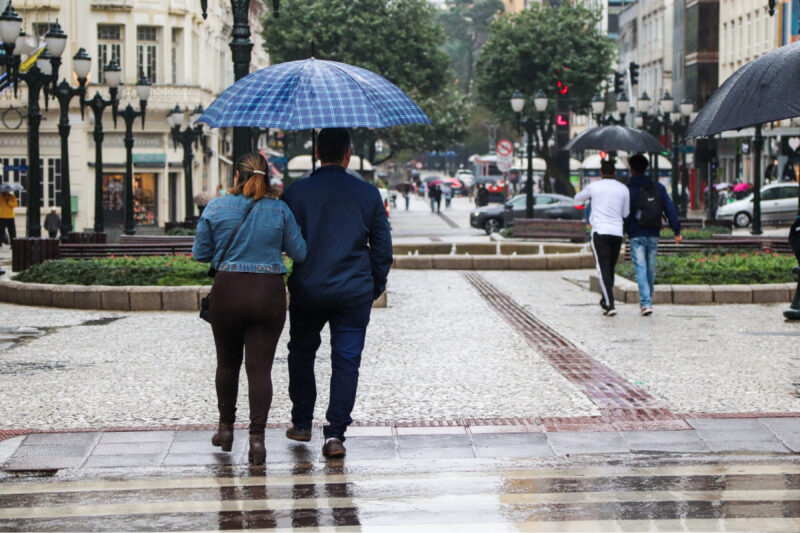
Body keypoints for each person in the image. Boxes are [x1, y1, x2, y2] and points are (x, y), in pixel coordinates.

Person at [282, 128, 392, 458]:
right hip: (354, 291)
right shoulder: (368, 193)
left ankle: (302, 422)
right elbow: (383, 248)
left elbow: (285, 243)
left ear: (317, 152)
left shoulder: (295, 193)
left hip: (308, 288)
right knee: (346, 359)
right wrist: (374, 284)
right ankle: (335, 435)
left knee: (301, 352)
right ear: (348, 155)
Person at [193, 152, 307, 465]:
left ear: (236, 177)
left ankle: (225, 429)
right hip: (267, 292)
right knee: (260, 369)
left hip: (228, 291)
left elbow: (200, 253)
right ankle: (257, 441)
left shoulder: (216, 206)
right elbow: (299, 251)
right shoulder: (280, 208)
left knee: (227, 364)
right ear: (267, 178)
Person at [625, 153, 681, 317]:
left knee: (640, 268)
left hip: (636, 233)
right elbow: (669, 209)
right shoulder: (658, 187)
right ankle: (647, 300)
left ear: (632, 169)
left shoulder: (629, 188)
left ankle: (646, 303)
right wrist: (676, 231)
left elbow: (625, 212)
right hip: (653, 232)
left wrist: (626, 229)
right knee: (650, 268)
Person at [574, 160, 630, 317]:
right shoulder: (623, 189)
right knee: (610, 267)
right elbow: (626, 213)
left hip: (600, 231)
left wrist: (588, 202)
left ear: (600, 172)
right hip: (617, 232)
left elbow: (577, 199)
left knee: (602, 267)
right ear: (615, 172)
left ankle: (610, 302)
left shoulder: (594, 187)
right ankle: (606, 300)